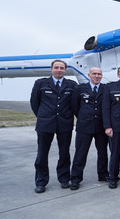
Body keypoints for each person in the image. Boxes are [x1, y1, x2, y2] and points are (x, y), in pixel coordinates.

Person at [30, 60, 77, 193]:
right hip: (45, 124)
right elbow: (34, 103)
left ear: (65, 70)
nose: (59, 70)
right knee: (42, 154)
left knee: (64, 153)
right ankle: (41, 181)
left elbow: (74, 104)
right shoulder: (41, 83)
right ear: (51, 69)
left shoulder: (71, 85)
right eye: (56, 67)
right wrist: (43, 116)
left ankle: (63, 179)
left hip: (64, 123)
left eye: (62, 68)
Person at [69, 67, 108, 190]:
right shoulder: (80, 89)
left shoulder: (105, 89)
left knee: (102, 153)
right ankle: (75, 178)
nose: (97, 76)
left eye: (99, 74)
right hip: (84, 126)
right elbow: (75, 107)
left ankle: (103, 174)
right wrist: (83, 117)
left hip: (101, 126)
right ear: (89, 75)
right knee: (80, 153)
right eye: (94, 74)